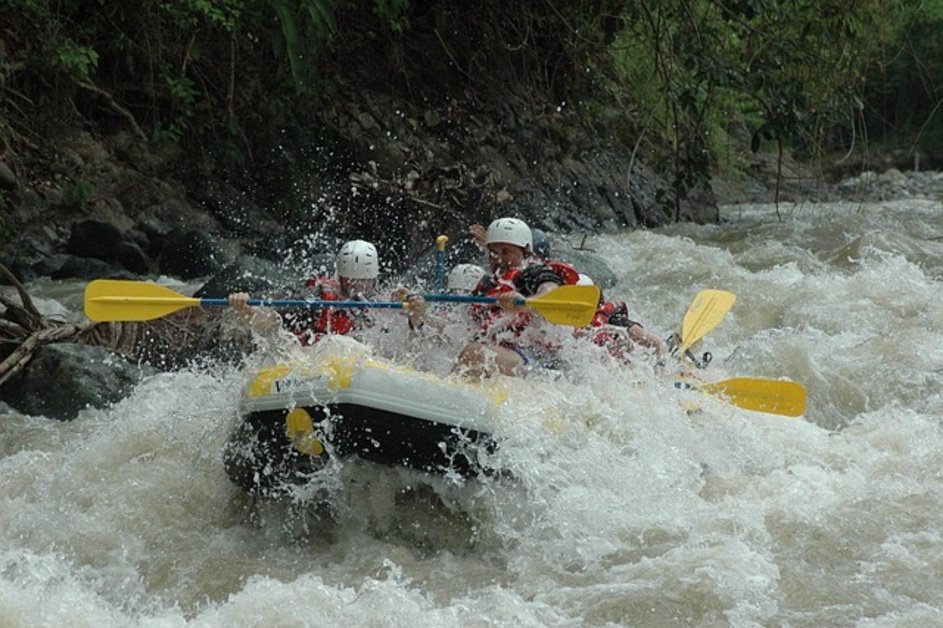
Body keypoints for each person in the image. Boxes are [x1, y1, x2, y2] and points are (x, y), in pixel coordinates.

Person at [229, 239, 425, 344]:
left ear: (374, 279)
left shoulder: (384, 303)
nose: (357, 286)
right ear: (339, 277)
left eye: (363, 282)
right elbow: (271, 319)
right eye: (350, 280)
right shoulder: (314, 298)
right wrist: (247, 308)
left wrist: (415, 315)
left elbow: (408, 343)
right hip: (316, 360)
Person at [454, 217, 564, 378]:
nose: (498, 259)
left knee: (475, 353)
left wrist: (525, 303)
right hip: (500, 351)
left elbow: (551, 291)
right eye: (493, 253)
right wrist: (421, 317)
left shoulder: (532, 273)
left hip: (535, 359)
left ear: (525, 252)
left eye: (505, 252)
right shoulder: (488, 284)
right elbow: (460, 322)